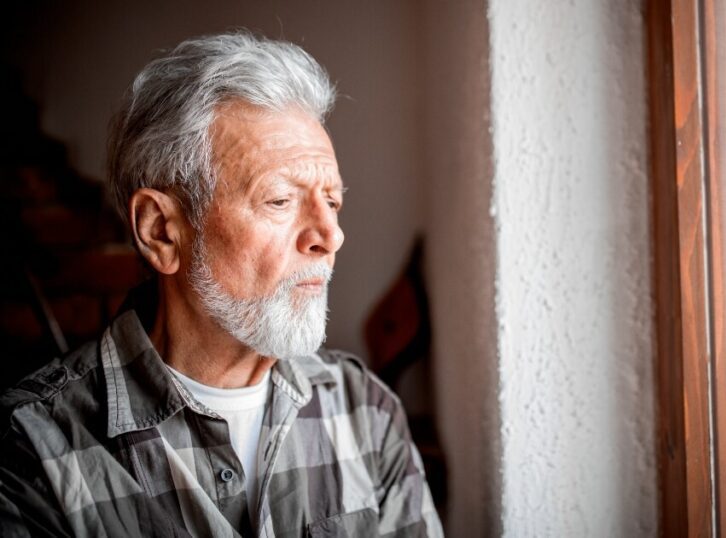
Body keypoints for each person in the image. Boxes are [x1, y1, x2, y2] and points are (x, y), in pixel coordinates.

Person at [0, 31, 442, 537]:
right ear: (162, 231)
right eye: (280, 200)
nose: (331, 235)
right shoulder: (32, 450)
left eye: (333, 202)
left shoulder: (366, 410)